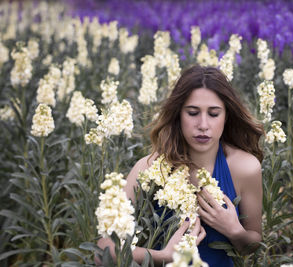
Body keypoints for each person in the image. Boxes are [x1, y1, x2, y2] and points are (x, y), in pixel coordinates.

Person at [97, 65, 264, 266]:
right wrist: (163, 256)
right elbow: (103, 250)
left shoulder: (245, 168)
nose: (203, 124)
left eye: (214, 114)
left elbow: (253, 243)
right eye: (193, 113)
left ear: (227, 116)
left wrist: (234, 230)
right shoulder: (150, 169)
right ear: (178, 115)